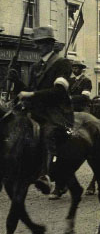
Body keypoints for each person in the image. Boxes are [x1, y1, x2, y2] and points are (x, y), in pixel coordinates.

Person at [8, 26, 73, 195]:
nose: (37, 47)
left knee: (47, 133)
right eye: (36, 43)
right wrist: (16, 81)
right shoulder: (35, 66)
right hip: (36, 110)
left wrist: (30, 93)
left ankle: (45, 174)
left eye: (41, 43)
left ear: (51, 44)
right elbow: (29, 90)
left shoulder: (62, 64)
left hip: (56, 112)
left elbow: (59, 92)